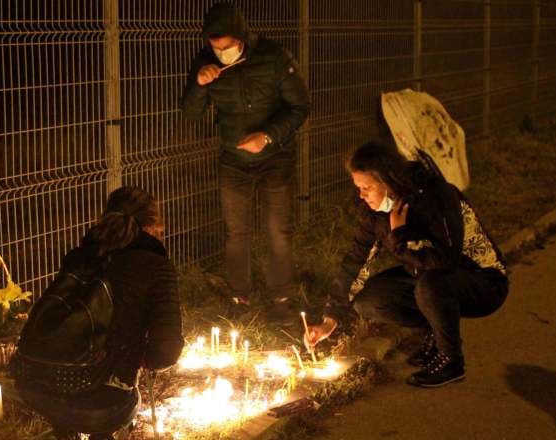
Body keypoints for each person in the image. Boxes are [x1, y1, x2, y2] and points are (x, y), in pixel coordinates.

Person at [304, 142, 508, 388]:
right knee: (368, 300)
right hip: (429, 277)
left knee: (430, 285)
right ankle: (436, 331)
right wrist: (330, 319)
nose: (361, 195)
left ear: (387, 181)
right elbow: (355, 260)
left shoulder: (436, 196)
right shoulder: (378, 211)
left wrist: (400, 236)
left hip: (481, 280)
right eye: (358, 188)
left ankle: (451, 360)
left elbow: (445, 259)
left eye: (367, 187)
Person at [13, 186, 184, 440]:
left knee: (69, 392)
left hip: (35, 382)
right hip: (102, 395)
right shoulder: (156, 267)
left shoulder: (78, 256)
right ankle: (101, 439)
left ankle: (66, 436)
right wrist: (140, 357)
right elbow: (165, 352)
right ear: (152, 226)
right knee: (123, 393)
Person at [180, 2, 310, 314]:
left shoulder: (274, 57)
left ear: (240, 38)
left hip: (275, 156)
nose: (221, 53)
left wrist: (267, 136)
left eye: (227, 47)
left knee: (278, 230)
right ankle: (240, 297)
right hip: (233, 160)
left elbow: (300, 107)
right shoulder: (205, 62)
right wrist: (199, 85)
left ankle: (282, 298)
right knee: (236, 232)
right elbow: (191, 112)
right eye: (216, 48)